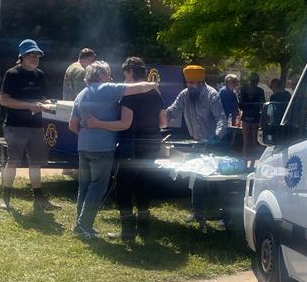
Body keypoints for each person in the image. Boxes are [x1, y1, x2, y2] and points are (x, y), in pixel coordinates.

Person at [68, 60, 154, 240]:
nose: (111, 77)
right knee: (97, 187)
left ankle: (81, 224)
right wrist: (154, 84)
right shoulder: (106, 88)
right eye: (108, 73)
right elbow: (139, 87)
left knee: (84, 186)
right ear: (100, 76)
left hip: (83, 147)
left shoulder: (81, 94)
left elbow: (72, 125)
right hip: (102, 148)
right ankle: (84, 225)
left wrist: (86, 136)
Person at [160, 65, 228, 226]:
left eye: (193, 83)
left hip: (214, 143)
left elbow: (221, 119)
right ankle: (198, 213)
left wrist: (216, 136)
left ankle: (224, 215)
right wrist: (159, 118)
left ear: (201, 81)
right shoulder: (185, 95)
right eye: (188, 82)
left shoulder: (212, 95)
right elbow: (172, 111)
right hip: (197, 143)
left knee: (217, 179)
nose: (190, 86)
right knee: (197, 176)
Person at [0, 39, 58, 212]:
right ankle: (6, 198)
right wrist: (28, 106)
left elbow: (42, 98)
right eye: (31, 54)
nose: (35, 58)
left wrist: (47, 104)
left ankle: (40, 199)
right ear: (22, 57)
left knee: (36, 163)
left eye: (37, 55)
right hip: (15, 125)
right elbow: (4, 100)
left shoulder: (40, 75)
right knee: (13, 162)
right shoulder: (13, 73)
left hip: (37, 125)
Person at [112, 56, 163, 241]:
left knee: (123, 187)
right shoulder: (155, 91)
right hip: (152, 143)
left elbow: (125, 123)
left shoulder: (129, 93)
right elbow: (163, 121)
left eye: (125, 73)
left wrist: (99, 124)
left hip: (132, 144)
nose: (124, 77)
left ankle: (127, 232)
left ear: (131, 72)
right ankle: (144, 228)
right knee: (144, 182)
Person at [238, 72, 265, 167]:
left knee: (246, 141)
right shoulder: (260, 91)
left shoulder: (243, 90)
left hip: (246, 117)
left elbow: (240, 104)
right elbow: (262, 105)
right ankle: (252, 164)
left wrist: (247, 107)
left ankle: (245, 164)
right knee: (254, 141)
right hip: (255, 117)